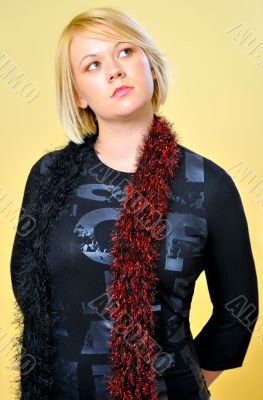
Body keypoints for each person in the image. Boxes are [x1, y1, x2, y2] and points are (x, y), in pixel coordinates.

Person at [10, 6, 259, 400]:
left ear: (150, 64)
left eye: (125, 51)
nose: (114, 70)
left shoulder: (210, 185)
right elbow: (26, 283)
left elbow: (237, 313)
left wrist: (182, 384)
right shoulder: (48, 175)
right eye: (92, 64)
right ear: (78, 94)